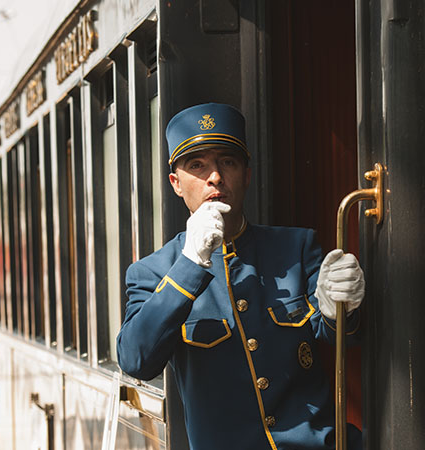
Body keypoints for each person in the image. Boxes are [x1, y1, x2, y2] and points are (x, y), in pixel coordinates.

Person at [116, 103, 365, 450]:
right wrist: (191, 264)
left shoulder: (295, 246)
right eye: (197, 165)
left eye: (227, 162)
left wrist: (340, 308)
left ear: (246, 175)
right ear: (176, 183)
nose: (215, 177)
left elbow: (340, 337)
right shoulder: (153, 271)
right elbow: (136, 360)